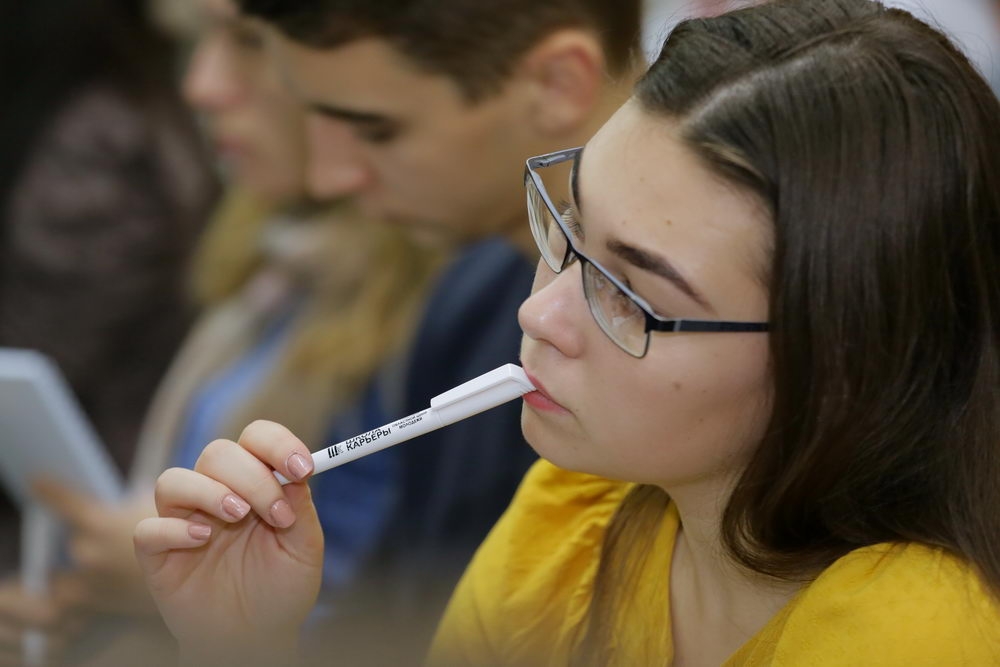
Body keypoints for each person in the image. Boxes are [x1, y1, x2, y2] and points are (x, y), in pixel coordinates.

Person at [134, 0, 1000, 664]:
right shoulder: (571, 512)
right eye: (568, 228)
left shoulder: (914, 633)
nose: (539, 312)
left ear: (837, 357)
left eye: (629, 292)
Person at [0, 1, 441, 665]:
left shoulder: (432, 312)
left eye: (248, 43)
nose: (201, 86)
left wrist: (189, 601)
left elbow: (411, 625)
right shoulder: (273, 264)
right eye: (203, 43)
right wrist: (82, 604)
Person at [219, 1, 647, 660]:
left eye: (377, 130)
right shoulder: (466, 294)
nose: (329, 177)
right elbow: (402, 614)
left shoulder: (655, 391)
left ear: (558, 83)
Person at [0, 0, 217, 575]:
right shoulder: (107, 110)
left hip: (91, 528)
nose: (204, 88)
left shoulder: (101, 139)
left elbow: (38, 346)